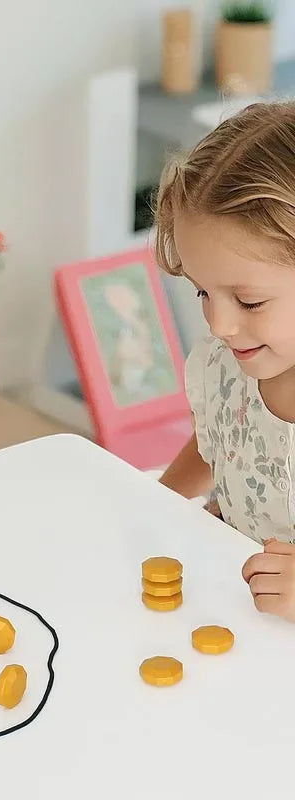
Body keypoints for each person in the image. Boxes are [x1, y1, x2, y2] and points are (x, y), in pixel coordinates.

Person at [155, 101, 295, 623]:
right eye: (202, 294)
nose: (219, 325)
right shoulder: (225, 367)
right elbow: (220, 440)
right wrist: (159, 500)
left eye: (250, 301)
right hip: (242, 629)